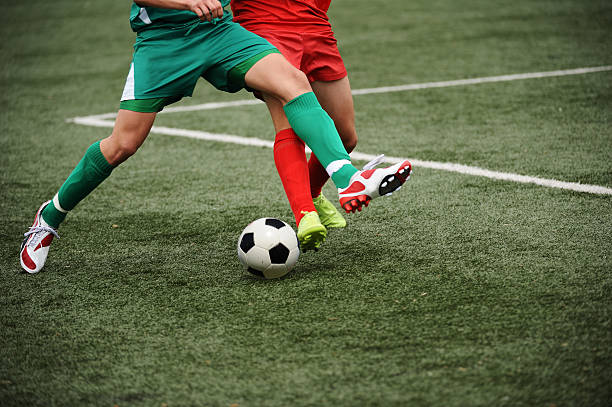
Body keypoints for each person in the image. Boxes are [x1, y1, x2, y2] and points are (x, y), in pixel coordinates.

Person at [19, 0, 412, 274]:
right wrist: (187, 1)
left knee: (292, 81)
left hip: (222, 32)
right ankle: (49, 217)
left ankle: (348, 180)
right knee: (123, 143)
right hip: (165, 43)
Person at [231, 0, 360, 252]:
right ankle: (305, 213)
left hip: (315, 25)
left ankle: (311, 192)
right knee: (289, 126)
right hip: (264, 26)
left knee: (345, 136)